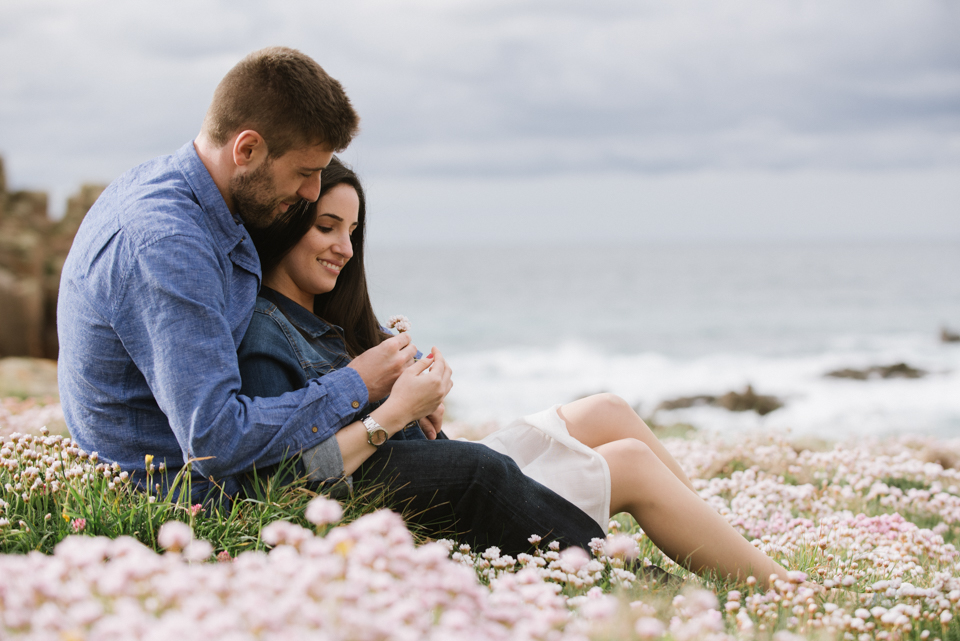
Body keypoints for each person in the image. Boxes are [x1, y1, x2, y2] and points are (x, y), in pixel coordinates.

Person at [56, 47, 605, 555]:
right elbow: (214, 439)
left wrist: (388, 387)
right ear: (246, 148)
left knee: (466, 457)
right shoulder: (167, 244)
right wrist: (359, 385)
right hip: (191, 504)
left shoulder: (194, 201)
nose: (312, 192)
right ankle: (606, 572)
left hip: (224, 472)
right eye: (305, 172)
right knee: (476, 472)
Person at [238, 157, 790, 587]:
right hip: (418, 512)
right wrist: (394, 413)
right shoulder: (265, 333)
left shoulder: (330, 317)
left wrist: (422, 403)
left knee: (609, 409)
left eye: (352, 232)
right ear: (287, 226)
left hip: (436, 469)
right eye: (327, 227)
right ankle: (780, 588)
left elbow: (384, 419)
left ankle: (727, 546)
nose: (343, 248)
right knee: (631, 463)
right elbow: (287, 485)